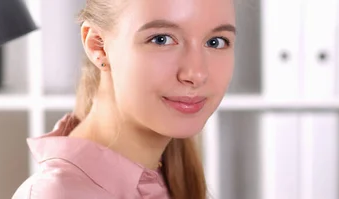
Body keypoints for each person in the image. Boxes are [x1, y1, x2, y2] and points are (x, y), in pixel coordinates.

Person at [12, 0, 236, 198]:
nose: (196, 74)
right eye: (161, 39)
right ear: (98, 45)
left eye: (216, 42)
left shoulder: (170, 176)